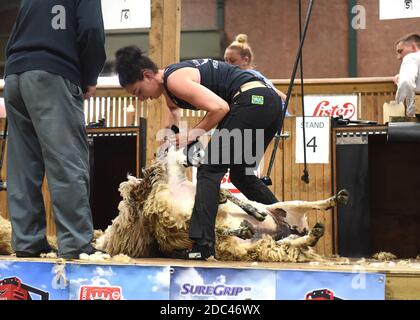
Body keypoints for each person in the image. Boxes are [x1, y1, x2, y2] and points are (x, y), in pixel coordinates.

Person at [115, 46, 283, 260]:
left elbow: (220, 108)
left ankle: (202, 245)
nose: (141, 99)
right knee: (242, 176)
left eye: (138, 92)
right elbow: (173, 110)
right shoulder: (170, 84)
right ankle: (285, 229)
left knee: (209, 170)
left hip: (252, 102)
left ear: (147, 75)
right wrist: (167, 140)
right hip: (268, 103)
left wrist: (191, 135)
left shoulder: (175, 80)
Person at [3, 0, 106, 259]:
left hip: (14, 75)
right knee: (67, 160)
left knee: (23, 165)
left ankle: (27, 242)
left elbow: (14, 34)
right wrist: (90, 76)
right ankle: (75, 244)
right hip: (52, 72)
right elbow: (92, 30)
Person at [224, 33, 289, 115]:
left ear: (245, 60)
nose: (228, 64)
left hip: (279, 119)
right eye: (226, 60)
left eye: (232, 61)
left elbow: (282, 97)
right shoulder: (251, 74)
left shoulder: (249, 76)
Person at [393, 33, 420, 117]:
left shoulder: (410, 57)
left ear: (413, 47)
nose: (399, 57)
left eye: (400, 51)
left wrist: (409, 111)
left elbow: (406, 82)